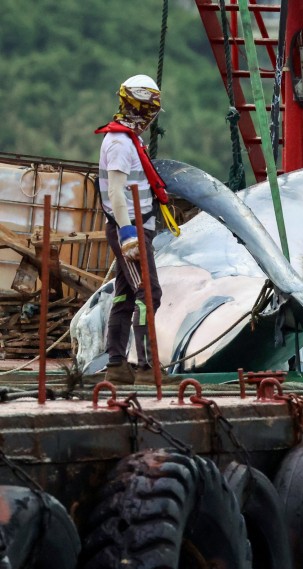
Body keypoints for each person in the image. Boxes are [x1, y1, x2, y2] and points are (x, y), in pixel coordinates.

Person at [95, 74, 167, 386]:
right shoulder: (120, 144)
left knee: (126, 294)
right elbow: (115, 193)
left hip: (137, 227)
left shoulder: (128, 141)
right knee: (148, 292)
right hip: (131, 231)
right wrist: (128, 237)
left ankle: (116, 364)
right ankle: (146, 367)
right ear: (145, 111)